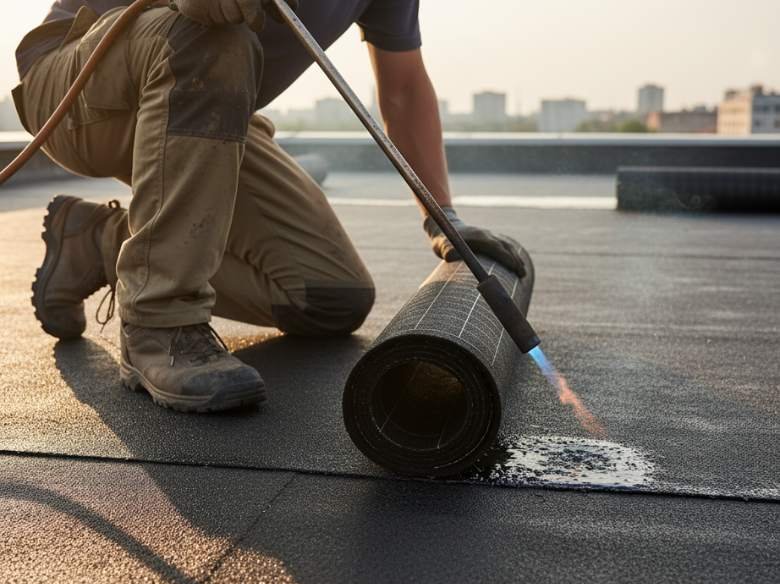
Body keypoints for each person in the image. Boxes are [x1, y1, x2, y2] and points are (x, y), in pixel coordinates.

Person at [13, 0, 528, 412]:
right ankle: (158, 325)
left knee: (329, 295)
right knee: (210, 41)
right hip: (76, 82)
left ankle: (100, 242)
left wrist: (443, 217)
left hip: (199, 97)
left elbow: (404, 88)